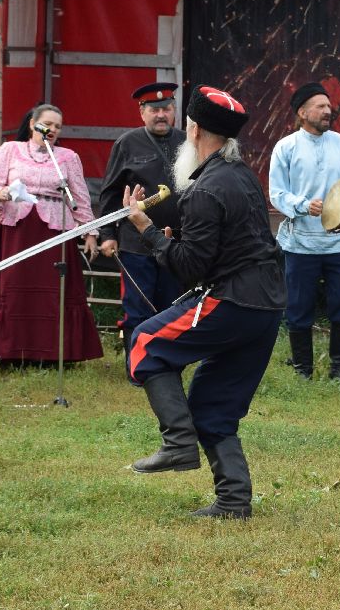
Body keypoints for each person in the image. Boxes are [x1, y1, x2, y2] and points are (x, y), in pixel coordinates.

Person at [120, 85, 286, 518]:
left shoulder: (206, 188)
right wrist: (179, 237)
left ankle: (177, 445)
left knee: (144, 344)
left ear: (193, 130)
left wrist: (146, 229)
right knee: (214, 405)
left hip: (233, 301)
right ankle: (234, 502)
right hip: (266, 307)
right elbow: (219, 244)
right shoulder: (242, 176)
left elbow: (190, 267)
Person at [0, 104, 103, 365]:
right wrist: (1, 193)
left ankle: (53, 353)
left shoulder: (67, 157)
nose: (52, 130)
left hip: (53, 232)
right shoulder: (10, 150)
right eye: (48, 124)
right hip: (16, 230)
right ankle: (8, 351)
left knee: (52, 291)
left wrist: (90, 232)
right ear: (32, 123)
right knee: (14, 289)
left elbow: (80, 199)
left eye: (57, 126)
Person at [269, 82, 340, 380]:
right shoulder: (286, 147)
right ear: (302, 112)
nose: (328, 111)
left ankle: (339, 369)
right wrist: (301, 205)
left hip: (338, 243)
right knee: (298, 308)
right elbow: (276, 193)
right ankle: (303, 370)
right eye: (320, 106)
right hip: (300, 243)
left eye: (328, 105)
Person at [97, 82, 186, 341]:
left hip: (176, 243)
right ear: (142, 112)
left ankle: (166, 365)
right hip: (136, 244)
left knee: (173, 307)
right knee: (138, 308)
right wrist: (107, 234)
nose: (161, 115)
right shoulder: (127, 143)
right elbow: (110, 193)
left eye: (167, 108)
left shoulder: (187, 142)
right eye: (154, 110)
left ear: (174, 110)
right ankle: (136, 368)